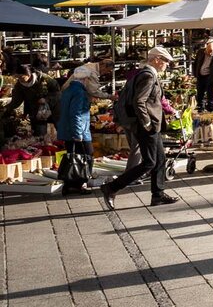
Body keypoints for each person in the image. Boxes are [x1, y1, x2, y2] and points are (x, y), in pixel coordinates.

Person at [101, 47, 179, 209]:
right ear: (156, 59)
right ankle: (112, 187)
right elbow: (139, 101)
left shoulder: (145, 74)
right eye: (165, 61)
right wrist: (147, 123)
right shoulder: (148, 77)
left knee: (160, 159)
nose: (166, 64)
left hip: (150, 125)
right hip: (146, 126)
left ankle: (158, 194)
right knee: (149, 162)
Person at [57, 64, 101, 195]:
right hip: (79, 130)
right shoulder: (80, 92)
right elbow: (76, 114)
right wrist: (78, 134)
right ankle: (79, 184)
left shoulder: (68, 89)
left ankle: (69, 184)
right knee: (86, 156)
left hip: (67, 129)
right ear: (86, 79)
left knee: (72, 157)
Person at [7, 62, 60, 140]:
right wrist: (6, 109)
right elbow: (16, 101)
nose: (20, 79)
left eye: (22, 77)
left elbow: (57, 93)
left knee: (60, 128)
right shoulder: (19, 85)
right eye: (18, 77)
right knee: (39, 135)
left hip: (53, 107)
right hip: (36, 110)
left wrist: (46, 99)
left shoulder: (45, 79)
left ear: (29, 74)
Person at [192, 39, 213, 111]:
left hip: (209, 76)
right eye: (208, 52)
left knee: (210, 93)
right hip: (200, 75)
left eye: (211, 53)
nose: (209, 54)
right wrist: (195, 73)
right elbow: (196, 62)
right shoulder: (201, 52)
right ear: (205, 50)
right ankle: (200, 107)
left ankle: (210, 108)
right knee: (200, 92)